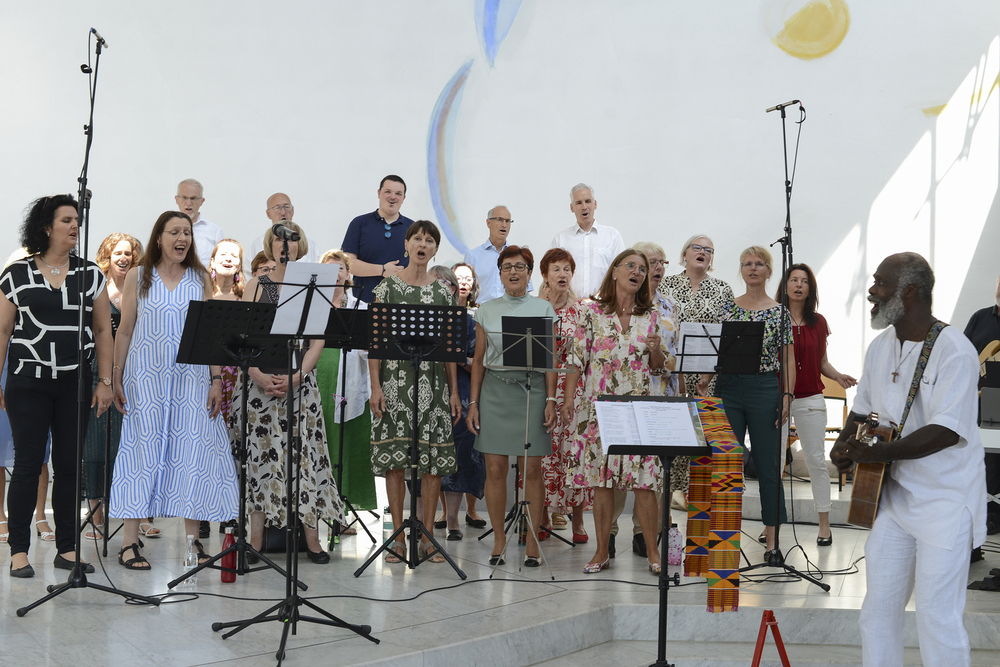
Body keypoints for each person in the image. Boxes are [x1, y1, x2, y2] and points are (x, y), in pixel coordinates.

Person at [831, 252, 985, 667]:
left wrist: (880, 453)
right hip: (895, 500)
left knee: (937, 616)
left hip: (946, 502)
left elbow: (947, 430)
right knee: (877, 610)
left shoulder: (955, 350)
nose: (872, 292)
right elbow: (863, 411)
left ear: (910, 292)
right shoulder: (881, 346)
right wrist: (843, 447)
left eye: (881, 283)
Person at [110, 211, 239, 570]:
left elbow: (210, 334)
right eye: (174, 232)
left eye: (187, 233)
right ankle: (129, 543)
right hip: (145, 379)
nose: (182, 238)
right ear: (159, 238)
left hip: (191, 380)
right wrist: (116, 376)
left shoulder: (200, 278)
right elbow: (125, 330)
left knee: (191, 453)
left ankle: (193, 543)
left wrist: (216, 380)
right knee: (140, 454)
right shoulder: (138, 276)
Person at [1, 195, 114, 577]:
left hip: (74, 383)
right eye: (66, 220)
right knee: (28, 464)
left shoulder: (89, 274)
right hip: (27, 382)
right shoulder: (16, 274)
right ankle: (19, 551)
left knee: (68, 467)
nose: (74, 225)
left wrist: (105, 381)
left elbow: (103, 330)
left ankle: (67, 548)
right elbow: (2, 330)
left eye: (76, 219)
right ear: (46, 226)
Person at [235, 222, 344, 563]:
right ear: (270, 244)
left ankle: (313, 540)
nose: (286, 244)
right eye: (280, 238)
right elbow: (243, 338)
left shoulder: (312, 284)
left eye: (293, 239)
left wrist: (299, 375)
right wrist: (257, 374)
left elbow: (317, 340)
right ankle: (255, 541)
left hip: (300, 382)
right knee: (260, 460)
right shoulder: (257, 285)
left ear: (301, 245)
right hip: (259, 384)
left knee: (304, 458)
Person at [562, 249, 673, 574]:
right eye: (630, 266)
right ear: (614, 271)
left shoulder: (651, 316)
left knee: (645, 483)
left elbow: (658, 368)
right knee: (602, 482)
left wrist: (656, 350)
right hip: (599, 412)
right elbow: (575, 361)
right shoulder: (592, 313)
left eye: (642, 269)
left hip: (639, 411)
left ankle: (653, 553)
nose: (637, 272)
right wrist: (567, 401)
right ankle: (601, 552)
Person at [368, 220, 461, 563]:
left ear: (435, 249)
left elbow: (450, 349)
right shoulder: (386, 289)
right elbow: (375, 344)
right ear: (406, 244)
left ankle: (427, 536)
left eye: (429, 240)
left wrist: (454, 391)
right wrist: (376, 386)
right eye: (417, 238)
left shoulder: (443, 294)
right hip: (394, 383)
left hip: (433, 385)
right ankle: (397, 537)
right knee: (395, 462)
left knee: (431, 463)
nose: (422, 244)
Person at [698, 246, 793, 554]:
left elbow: (788, 359)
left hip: (764, 387)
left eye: (759, 264)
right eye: (747, 264)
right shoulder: (727, 308)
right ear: (741, 270)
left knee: (768, 465)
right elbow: (716, 351)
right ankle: (723, 542)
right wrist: (706, 379)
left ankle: (773, 541)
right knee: (725, 464)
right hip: (729, 387)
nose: (753, 268)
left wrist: (787, 394)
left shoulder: (779, 312)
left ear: (769, 271)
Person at [468, 246, 557, 566]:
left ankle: (532, 538)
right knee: (494, 469)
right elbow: (478, 360)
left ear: (530, 273)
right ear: (500, 273)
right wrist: (474, 402)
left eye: (520, 266)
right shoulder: (486, 310)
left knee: (532, 469)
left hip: (532, 392)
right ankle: (499, 539)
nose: (513, 272)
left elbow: (549, 359)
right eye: (507, 267)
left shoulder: (543, 308)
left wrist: (551, 399)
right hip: (495, 392)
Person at [774, 264, 856, 545]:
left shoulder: (818, 322)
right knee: (773, 463)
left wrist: (838, 376)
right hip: (777, 398)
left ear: (810, 289)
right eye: (794, 280)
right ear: (785, 286)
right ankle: (771, 524)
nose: (799, 285)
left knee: (816, 462)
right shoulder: (773, 318)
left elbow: (822, 362)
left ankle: (824, 523)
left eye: (804, 281)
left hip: (810, 397)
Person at [608, 241, 681, 556]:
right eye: (651, 262)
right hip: (624, 397)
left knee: (651, 471)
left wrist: (676, 384)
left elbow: (677, 352)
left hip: (661, 396)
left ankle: (644, 534)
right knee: (616, 466)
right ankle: (609, 532)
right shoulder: (612, 305)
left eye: (662, 262)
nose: (658, 267)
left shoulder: (670, 306)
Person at [82, 232, 144, 540]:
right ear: (107, 256)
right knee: (95, 445)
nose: (123, 258)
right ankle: (96, 512)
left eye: (128, 253)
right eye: (117, 252)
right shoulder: (96, 289)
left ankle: (138, 515)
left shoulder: (141, 289)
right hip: (98, 371)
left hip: (134, 373)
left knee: (132, 445)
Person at [315, 249, 376, 535]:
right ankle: (314, 512)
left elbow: (369, 348)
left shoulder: (361, 306)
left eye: (340, 268)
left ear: (348, 274)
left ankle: (341, 512)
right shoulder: (312, 305)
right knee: (320, 442)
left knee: (347, 444)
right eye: (329, 268)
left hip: (350, 382)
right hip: (319, 378)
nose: (335, 274)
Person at [423, 265, 485, 541]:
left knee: (458, 456)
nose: (443, 289)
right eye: (436, 283)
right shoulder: (420, 319)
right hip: (427, 393)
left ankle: (453, 520)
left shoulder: (468, 322)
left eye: (447, 284)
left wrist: (458, 357)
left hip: (461, 393)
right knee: (429, 458)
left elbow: (478, 364)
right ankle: (429, 519)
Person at [536, 248, 592, 541]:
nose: (562, 274)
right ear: (545, 275)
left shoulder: (582, 311)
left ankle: (578, 521)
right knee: (543, 455)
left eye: (567, 269)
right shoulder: (535, 309)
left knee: (574, 454)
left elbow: (584, 356)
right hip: (540, 390)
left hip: (574, 391)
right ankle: (543, 516)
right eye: (556, 269)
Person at [963, 273, 1000, 536]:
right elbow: (963, 354)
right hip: (978, 404)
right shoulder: (980, 317)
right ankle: (984, 516)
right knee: (982, 460)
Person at [451, 261, 487, 528]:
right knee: (445, 449)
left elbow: (479, 360)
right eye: (458, 277)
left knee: (469, 450)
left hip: (469, 387)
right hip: (444, 386)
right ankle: (445, 513)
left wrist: (459, 358)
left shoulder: (478, 315)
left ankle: (471, 509)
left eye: (468, 278)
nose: (464, 282)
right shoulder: (441, 313)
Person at [342, 175, 414, 303]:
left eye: (398, 194)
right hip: (364, 304)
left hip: (402, 305)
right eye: (388, 192)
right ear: (379, 193)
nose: (392, 197)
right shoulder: (359, 223)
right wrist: (382, 270)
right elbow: (348, 264)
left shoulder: (413, 228)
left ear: (403, 198)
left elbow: (418, 267)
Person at [549, 184, 625, 299]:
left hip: (604, 305)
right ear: (572, 207)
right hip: (569, 305)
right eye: (579, 203)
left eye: (588, 201)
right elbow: (551, 275)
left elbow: (621, 274)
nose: (584, 207)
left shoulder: (612, 236)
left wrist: (596, 299)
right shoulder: (560, 239)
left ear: (595, 204)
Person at [463, 206, 533, 303]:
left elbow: (526, 290)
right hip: (482, 310)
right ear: (488, 223)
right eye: (500, 220)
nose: (504, 225)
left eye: (507, 221)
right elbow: (465, 292)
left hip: (511, 309)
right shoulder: (473, 256)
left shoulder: (518, 257)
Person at [247, 192, 320, 263]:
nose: (283, 212)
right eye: (277, 208)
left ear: (292, 210)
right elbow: (249, 270)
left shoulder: (309, 243)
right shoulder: (257, 244)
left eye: (287, 207)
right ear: (268, 214)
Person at [175, 178, 224, 268]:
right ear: (176, 199)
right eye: (184, 198)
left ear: (202, 201)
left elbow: (220, 265)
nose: (188, 203)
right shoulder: (166, 229)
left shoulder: (215, 231)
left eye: (193, 198)